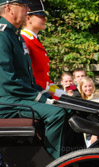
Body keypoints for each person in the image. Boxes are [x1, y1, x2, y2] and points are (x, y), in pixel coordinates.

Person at [0, 0, 84, 159]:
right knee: (57, 114)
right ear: (9, 8)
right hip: (7, 101)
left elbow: (29, 80)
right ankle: (52, 161)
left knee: (69, 110)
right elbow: (7, 81)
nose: (27, 10)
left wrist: (48, 96)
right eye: (24, 6)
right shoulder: (2, 34)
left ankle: (76, 158)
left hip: (17, 98)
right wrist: (40, 98)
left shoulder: (14, 34)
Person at [20, 0, 66, 99]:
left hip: (44, 89)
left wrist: (57, 90)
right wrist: (54, 92)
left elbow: (43, 77)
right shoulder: (25, 40)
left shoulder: (33, 39)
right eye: (41, 16)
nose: (45, 19)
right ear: (28, 18)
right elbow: (31, 77)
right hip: (37, 92)